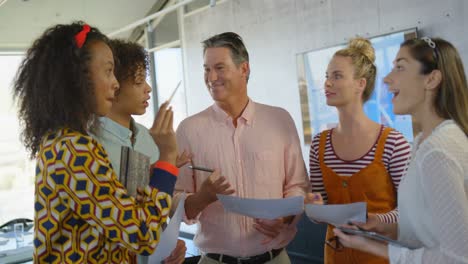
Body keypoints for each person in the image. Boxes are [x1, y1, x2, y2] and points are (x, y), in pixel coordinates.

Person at [13, 22, 179, 263]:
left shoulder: (64, 141)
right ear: (76, 78)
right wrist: (167, 159)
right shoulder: (74, 148)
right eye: (108, 71)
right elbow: (143, 236)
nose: (115, 83)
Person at [173, 32, 310, 264]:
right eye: (206, 69)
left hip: (274, 258)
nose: (211, 77)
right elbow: (175, 201)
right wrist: (202, 198)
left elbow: (298, 186)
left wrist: (284, 218)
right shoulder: (188, 129)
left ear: (244, 69)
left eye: (219, 67)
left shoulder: (280, 120)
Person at [333, 37, 468, 263]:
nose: (387, 78)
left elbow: (458, 256)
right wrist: (387, 227)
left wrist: (375, 248)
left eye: (400, 67)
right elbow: (431, 229)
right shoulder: (423, 142)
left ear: (432, 79)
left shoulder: (438, 151)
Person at [307, 37, 411, 264]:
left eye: (337, 76)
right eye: (327, 76)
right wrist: (312, 205)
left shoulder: (394, 143)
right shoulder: (319, 145)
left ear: (360, 84)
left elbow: (412, 213)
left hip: (383, 257)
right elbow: (320, 205)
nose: (327, 83)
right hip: (335, 256)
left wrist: (376, 219)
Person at [92, 39, 187, 264]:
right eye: (139, 80)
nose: (148, 88)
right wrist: (167, 158)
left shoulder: (148, 137)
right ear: (114, 83)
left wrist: (168, 243)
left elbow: (156, 205)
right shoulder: (88, 145)